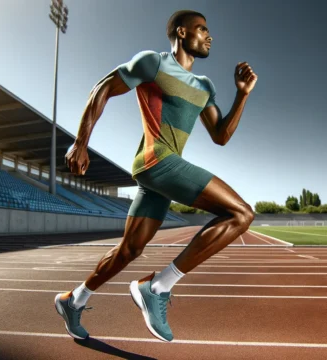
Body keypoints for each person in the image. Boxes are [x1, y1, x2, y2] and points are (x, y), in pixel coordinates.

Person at [54, 9, 258, 343]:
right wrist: (81, 142)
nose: (209, 36)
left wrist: (242, 94)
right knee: (242, 213)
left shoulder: (205, 86)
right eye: (202, 29)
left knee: (128, 250)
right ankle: (158, 286)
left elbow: (221, 135)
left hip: (160, 173)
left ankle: (72, 300)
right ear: (181, 33)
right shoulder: (154, 63)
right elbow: (103, 87)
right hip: (156, 160)